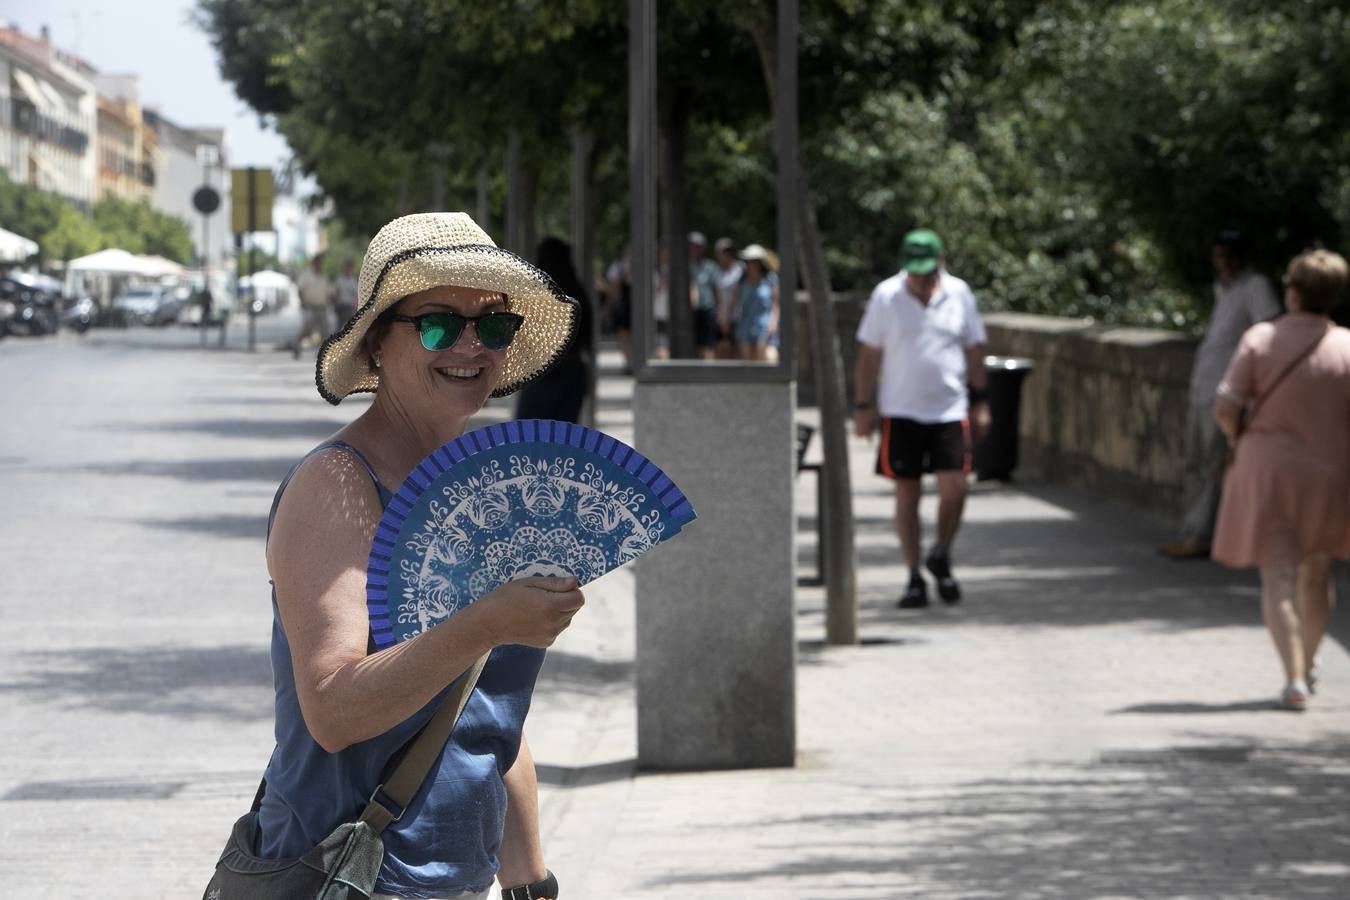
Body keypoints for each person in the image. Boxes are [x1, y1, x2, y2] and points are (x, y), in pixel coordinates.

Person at [263, 213, 582, 899]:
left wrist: (530, 885)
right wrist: (486, 623)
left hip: (458, 881)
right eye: (439, 322)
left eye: (493, 324)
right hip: (350, 877)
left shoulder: (478, 490)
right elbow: (332, 711)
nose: (471, 344)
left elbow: (488, 715)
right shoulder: (339, 484)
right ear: (378, 341)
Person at [1211, 249, 1350, 711]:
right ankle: (1308, 668)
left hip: (1269, 469)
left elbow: (1226, 407)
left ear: (1292, 292)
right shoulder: (1346, 346)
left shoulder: (1261, 339)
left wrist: (1238, 437)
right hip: (1329, 472)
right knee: (1317, 570)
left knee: (1279, 575)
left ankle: (1291, 677)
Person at [853, 228, 990, 608]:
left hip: (949, 409)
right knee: (907, 496)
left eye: (927, 271)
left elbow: (975, 348)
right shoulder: (886, 296)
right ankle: (914, 574)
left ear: (940, 264)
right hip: (901, 411)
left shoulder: (959, 294)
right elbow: (869, 355)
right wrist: (863, 407)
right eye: (914, 271)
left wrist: (981, 401)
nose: (920, 279)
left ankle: (941, 551)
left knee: (955, 489)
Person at [1160, 230, 1281, 559]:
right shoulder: (1223, 290)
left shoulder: (1255, 287)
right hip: (1203, 386)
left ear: (1242, 257)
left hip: (1226, 390)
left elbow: (1266, 334)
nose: (1224, 264)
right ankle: (1191, 529)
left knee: (1213, 464)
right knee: (1195, 463)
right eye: (1219, 257)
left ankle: (1201, 535)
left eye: (1230, 257)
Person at [514, 236, 594, 423]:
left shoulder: (535, 295)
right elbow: (587, 339)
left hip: (541, 371)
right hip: (572, 371)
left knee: (529, 437)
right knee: (563, 440)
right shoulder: (578, 293)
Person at [735, 244, 780, 361]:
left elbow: (775, 303)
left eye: (754, 261)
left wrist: (774, 321)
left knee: (762, 353)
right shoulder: (741, 280)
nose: (750, 264)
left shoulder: (770, 279)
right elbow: (735, 302)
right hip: (745, 322)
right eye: (748, 261)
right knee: (746, 358)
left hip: (763, 322)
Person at [294, 252, 335, 359]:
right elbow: (300, 290)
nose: (318, 265)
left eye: (320, 263)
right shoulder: (306, 276)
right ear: (313, 263)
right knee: (307, 329)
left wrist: (332, 299)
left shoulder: (324, 277)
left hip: (321, 307)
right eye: (316, 262)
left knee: (324, 331)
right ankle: (296, 345)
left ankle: (323, 354)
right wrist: (303, 302)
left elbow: (330, 292)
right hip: (309, 306)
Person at [687, 231, 720, 360]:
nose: (694, 249)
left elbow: (715, 289)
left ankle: (707, 370)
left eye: (697, 246)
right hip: (689, 311)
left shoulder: (710, 266)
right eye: (691, 246)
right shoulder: (683, 265)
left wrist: (718, 309)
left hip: (707, 308)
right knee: (693, 342)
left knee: (708, 342)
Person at [713, 237, 743, 359]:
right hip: (721, 316)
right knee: (720, 347)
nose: (726, 255)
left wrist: (727, 316)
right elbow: (717, 295)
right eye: (723, 252)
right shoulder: (715, 270)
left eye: (729, 252)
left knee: (735, 348)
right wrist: (722, 316)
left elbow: (736, 295)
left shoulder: (740, 268)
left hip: (737, 315)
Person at [334, 256, 359, 327]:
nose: (348, 269)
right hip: (341, 307)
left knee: (349, 327)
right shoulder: (339, 279)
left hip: (350, 307)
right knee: (339, 327)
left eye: (350, 267)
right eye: (347, 266)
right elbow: (336, 293)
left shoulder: (353, 281)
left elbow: (356, 295)